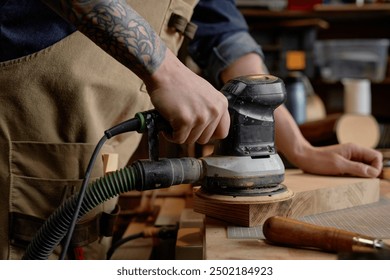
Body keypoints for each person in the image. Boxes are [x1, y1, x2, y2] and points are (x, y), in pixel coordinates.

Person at [0, 0, 382, 260]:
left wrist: (296, 147)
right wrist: (165, 69)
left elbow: (222, 30)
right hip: (21, 132)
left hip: (94, 157)